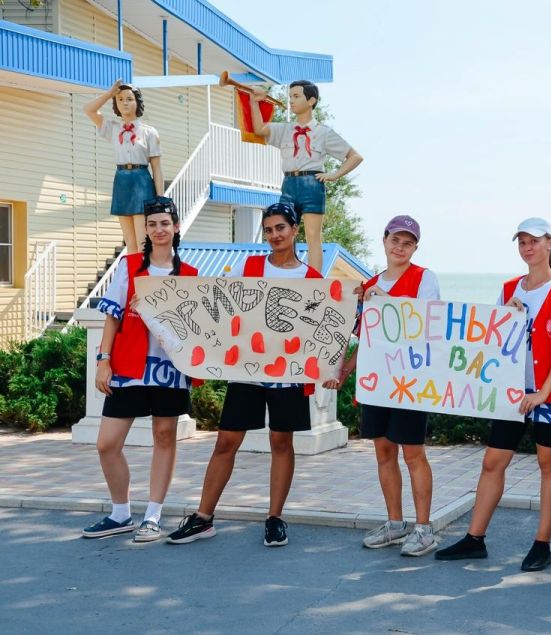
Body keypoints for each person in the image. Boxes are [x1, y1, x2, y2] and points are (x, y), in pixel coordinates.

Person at [166, 203, 321, 548]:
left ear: (294, 230)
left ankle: (275, 518)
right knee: (226, 441)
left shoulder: (311, 279)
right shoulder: (248, 265)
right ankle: (203, 517)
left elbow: (322, 326)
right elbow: (213, 300)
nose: (274, 235)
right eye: (268, 230)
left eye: (280, 228)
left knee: (281, 442)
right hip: (247, 370)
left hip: (288, 374)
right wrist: (157, 301)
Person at [434, 217, 551, 571]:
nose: (528, 247)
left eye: (534, 241)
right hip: (512, 393)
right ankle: (474, 538)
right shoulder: (509, 287)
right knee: (492, 461)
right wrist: (505, 316)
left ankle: (542, 544)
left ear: (550, 244)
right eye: (522, 242)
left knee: (548, 462)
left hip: (549, 393)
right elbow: (495, 340)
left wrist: (543, 392)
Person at [324, 215, 441, 557]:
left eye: (407, 242)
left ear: (415, 247)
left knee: (414, 453)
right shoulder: (370, 284)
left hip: (410, 381)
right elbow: (367, 339)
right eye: (395, 240)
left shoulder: (424, 278)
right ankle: (395, 522)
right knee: (383, 452)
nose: (400, 247)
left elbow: (426, 324)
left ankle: (423, 528)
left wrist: (383, 300)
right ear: (385, 240)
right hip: (377, 383)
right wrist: (345, 369)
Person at [82, 197, 197, 542]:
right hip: (129, 366)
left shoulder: (189, 274)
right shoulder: (130, 266)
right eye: (152, 224)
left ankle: (152, 515)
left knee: (164, 437)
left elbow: (196, 326)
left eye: (165, 223)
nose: (159, 229)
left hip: (170, 370)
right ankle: (120, 513)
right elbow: (112, 315)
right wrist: (103, 360)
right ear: (146, 229)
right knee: (106, 443)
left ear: (176, 227)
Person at [252, 80, 363, 275]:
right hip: (289, 184)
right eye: (290, 97)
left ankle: (314, 280)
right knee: (283, 231)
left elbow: (355, 156)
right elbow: (259, 130)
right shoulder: (284, 129)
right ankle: (284, 271)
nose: (291, 101)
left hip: (312, 184)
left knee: (313, 236)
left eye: (296, 96)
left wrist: (334, 175)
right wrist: (255, 101)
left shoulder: (324, 132)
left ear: (311, 100)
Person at [84, 79, 164, 254]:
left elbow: (156, 168)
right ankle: (133, 280)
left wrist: (160, 198)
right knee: (130, 242)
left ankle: (144, 279)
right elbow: (88, 109)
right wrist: (109, 93)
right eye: (120, 99)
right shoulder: (112, 127)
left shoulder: (149, 132)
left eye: (129, 98)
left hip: (141, 180)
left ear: (137, 102)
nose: (125, 103)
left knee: (143, 241)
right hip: (121, 180)